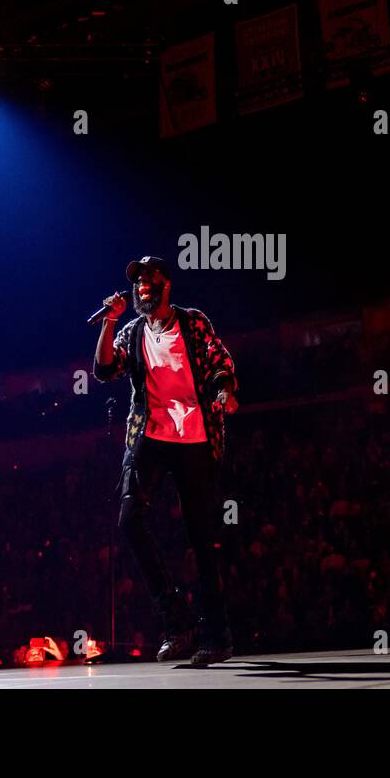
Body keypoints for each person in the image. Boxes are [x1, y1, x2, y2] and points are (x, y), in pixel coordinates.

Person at [93, 256, 238, 666]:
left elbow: (218, 360)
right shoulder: (132, 330)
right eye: (137, 279)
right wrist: (107, 322)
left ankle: (216, 636)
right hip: (150, 434)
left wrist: (225, 390)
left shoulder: (191, 322)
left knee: (199, 535)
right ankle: (176, 620)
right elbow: (105, 369)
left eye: (149, 277)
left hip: (194, 435)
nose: (141, 284)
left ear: (166, 284)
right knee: (129, 520)